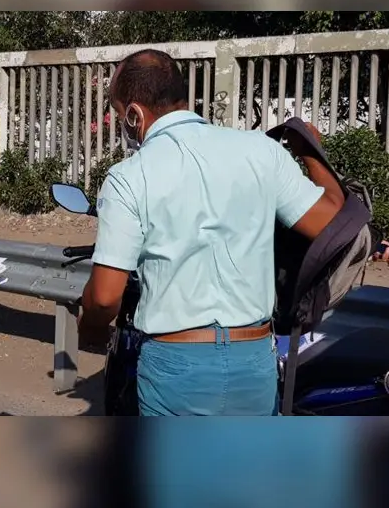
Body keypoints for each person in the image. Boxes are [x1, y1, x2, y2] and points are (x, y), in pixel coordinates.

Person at [79, 49, 344, 416]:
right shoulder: (261, 151)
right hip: (254, 359)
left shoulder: (129, 177)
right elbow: (329, 221)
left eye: (120, 112)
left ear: (134, 114)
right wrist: (311, 151)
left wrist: (89, 328)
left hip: (176, 365)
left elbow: (105, 297)